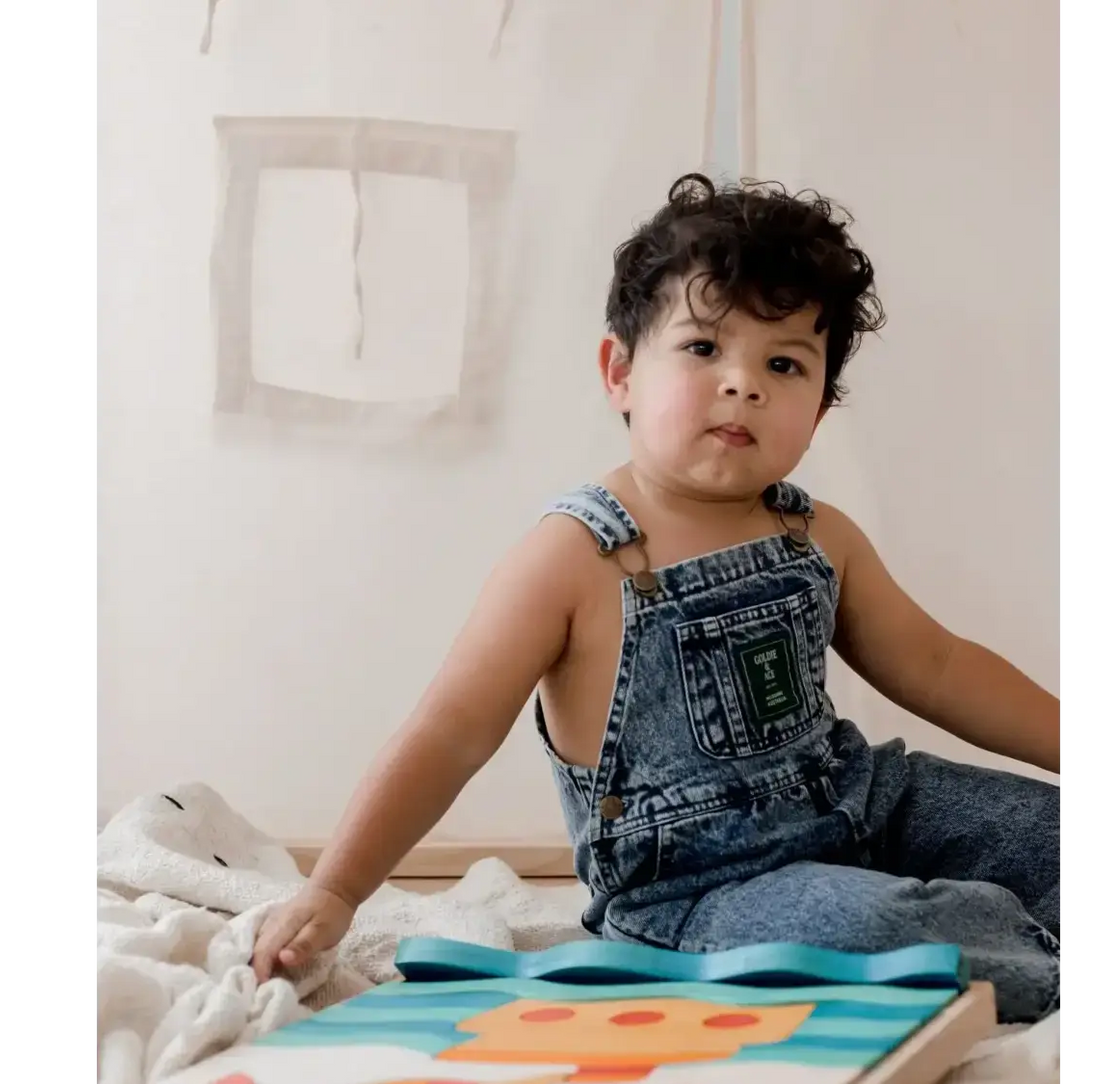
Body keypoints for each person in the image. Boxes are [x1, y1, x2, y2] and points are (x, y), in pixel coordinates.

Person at [251, 174, 1062, 1022]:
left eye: (782, 364)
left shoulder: (818, 535)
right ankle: (1023, 956)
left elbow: (935, 665)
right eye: (704, 349)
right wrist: (336, 887)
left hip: (858, 797)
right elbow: (449, 731)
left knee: (1043, 833)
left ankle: (989, 919)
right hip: (698, 884)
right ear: (620, 372)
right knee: (873, 930)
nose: (743, 383)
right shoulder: (572, 557)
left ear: (817, 413)